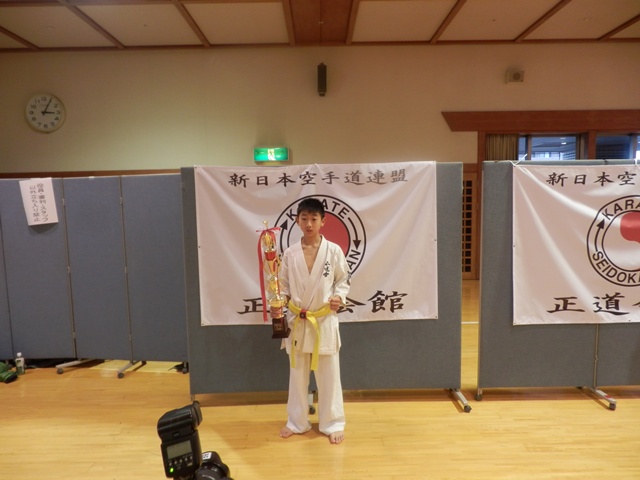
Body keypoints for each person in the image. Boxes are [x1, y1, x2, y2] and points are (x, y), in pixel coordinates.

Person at [274, 198, 351, 444]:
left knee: (329, 374)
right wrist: (280, 301)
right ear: (297, 221)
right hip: (298, 319)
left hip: (323, 319)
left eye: (314, 219)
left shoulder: (334, 251)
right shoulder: (290, 253)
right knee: (297, 374)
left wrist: (339, 297)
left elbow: (343, 280)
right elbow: (283, 284)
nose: (309, 224)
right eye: (304, 218)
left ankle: (333, 422)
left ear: (323, 221)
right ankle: (297, 421)